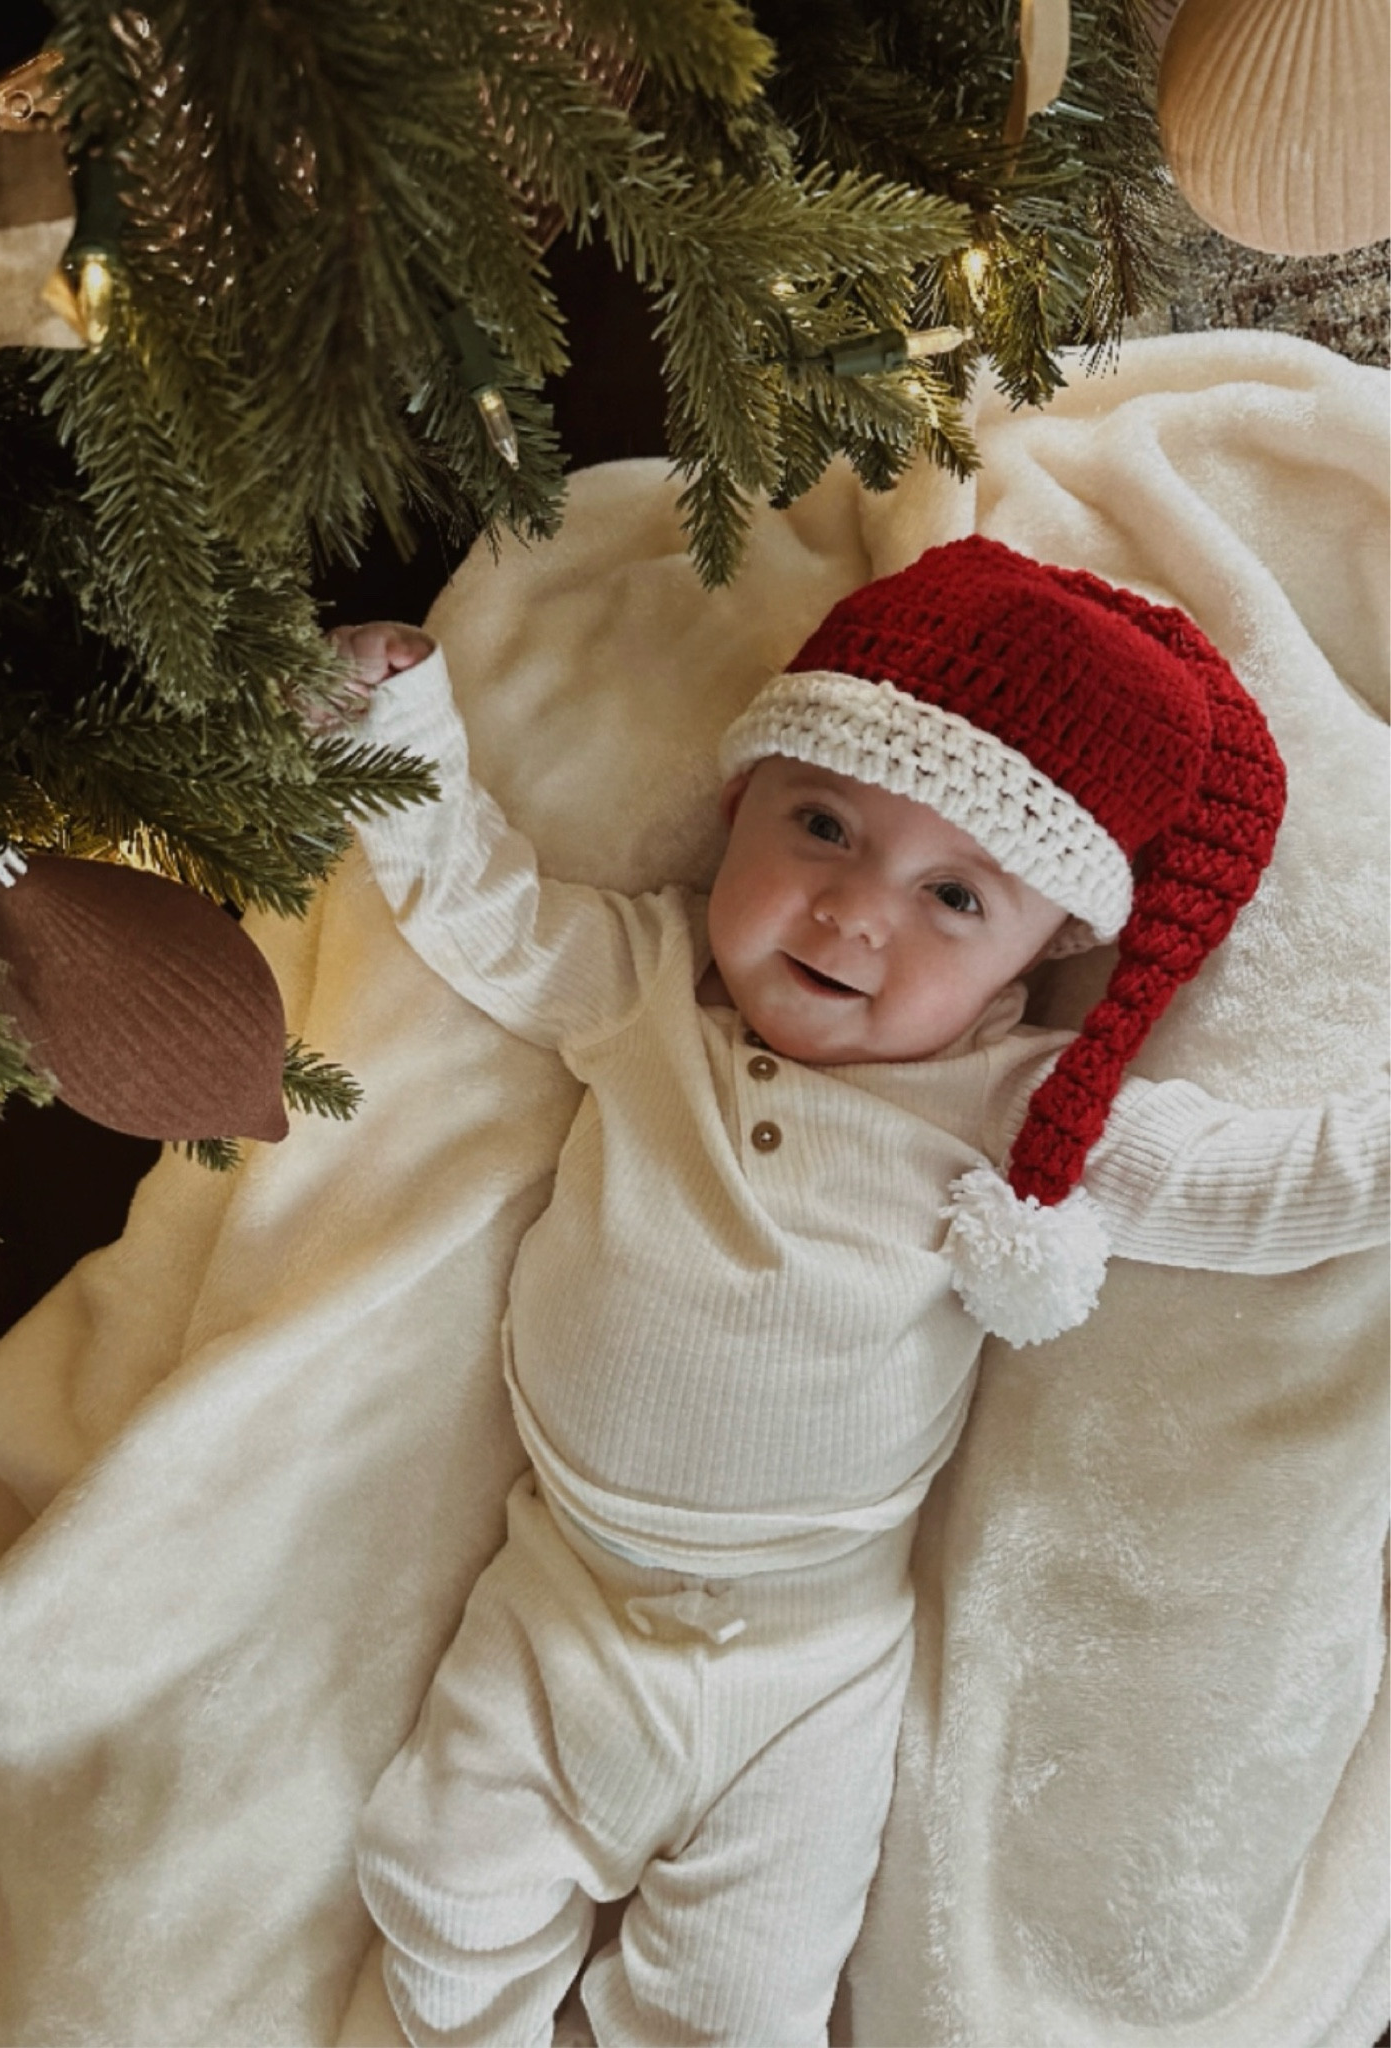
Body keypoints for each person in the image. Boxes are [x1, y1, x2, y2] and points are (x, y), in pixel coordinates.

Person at [309, 537, 1387, 2047]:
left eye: (956, 896)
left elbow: (1267, 1191)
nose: (853, 913)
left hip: (811, 1669)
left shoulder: (1021, 1113)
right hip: (563, 1599)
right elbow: (479, 908)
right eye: (823, 825)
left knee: (741, 2004)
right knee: (439, 1889)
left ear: (1047, 947)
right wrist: (401, 730)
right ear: (739, 802)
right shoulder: (644, 989)